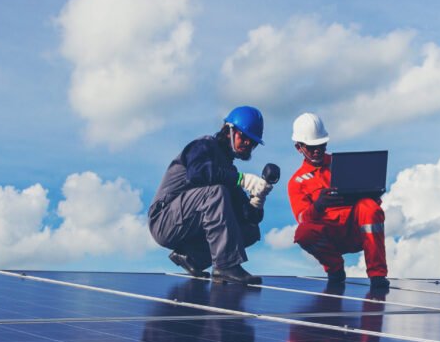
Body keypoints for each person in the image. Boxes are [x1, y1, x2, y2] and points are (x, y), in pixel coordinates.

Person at [149, 106, 279, 285]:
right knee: (216, 191)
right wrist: (242, 179)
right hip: (164, 220)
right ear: (229, 131)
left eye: (253, 142)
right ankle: (225, 266)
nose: (248, 144)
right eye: (245, 137)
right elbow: (197, 173)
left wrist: (258, 199)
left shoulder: (227, 169)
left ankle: (191, 257)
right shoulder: (203, 146)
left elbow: (247, 216)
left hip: (187, 222)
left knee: (249, 230)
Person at [287, 112, 390, 291]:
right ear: (299, 147)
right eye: (312, 147)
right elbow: (303, 218)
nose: (318, 150)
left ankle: (377, 275)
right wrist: (318, 205)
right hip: (330, 237)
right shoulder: (297, 182)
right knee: (303, 233)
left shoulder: (343, 165)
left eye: (321, 144)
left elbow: (372, 209)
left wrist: (372, 194)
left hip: (357, 231)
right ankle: (335, 269)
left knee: (369, 207)